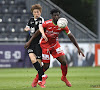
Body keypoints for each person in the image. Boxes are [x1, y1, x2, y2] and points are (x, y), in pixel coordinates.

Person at [25, 9, 85, 87]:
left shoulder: (62, 24)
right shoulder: (47, 23)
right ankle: (36, 79)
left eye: (57, 15)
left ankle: (64, 77)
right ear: (52, 16)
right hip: (45, 45)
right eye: (54, 15)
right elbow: (37, 32)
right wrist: (29, 42)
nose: (56, 17)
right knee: (46, 66)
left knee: (64, 61)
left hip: (55, 45)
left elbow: (71, 36)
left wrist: (78, 48)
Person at [24, 4, 47, 88]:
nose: (36, 13)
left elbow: (41, 27)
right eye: (35, 12)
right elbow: (27, 27)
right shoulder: (30, 20)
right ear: (32, 13)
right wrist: (26, 29)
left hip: (38, 43)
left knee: (39, 62)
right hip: (31, 43)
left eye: (38, 12)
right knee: (33, 59)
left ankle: (40, 81)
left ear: (40, 12)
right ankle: (43, 75)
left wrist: (43, 34)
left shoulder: (41, 19)